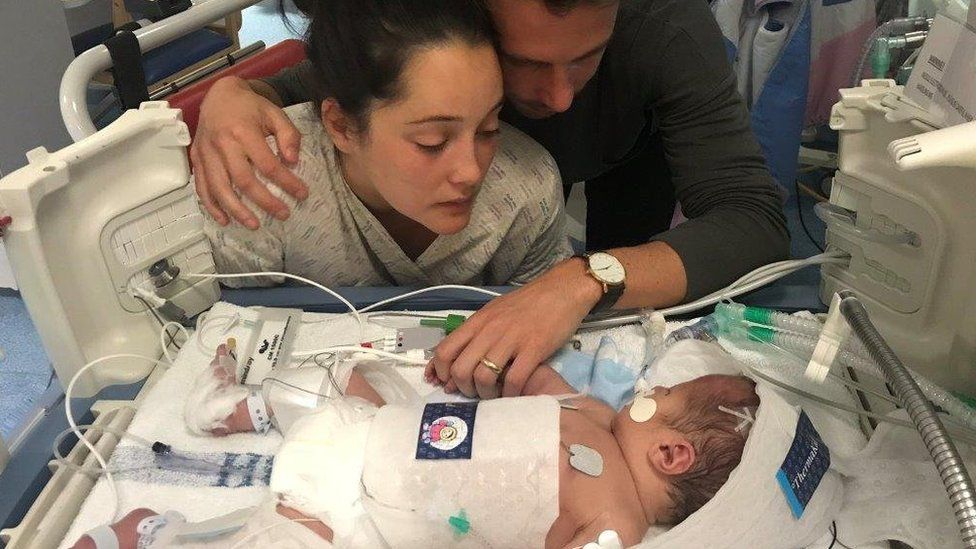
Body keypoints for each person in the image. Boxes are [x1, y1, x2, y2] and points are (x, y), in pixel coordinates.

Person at [190, 0, 789, 397]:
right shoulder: (427, 43)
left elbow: (752, 219)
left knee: (611, 316)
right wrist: (235, 91)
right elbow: (352, 79)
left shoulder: (665, 35)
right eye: (525, 62)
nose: (559, 98)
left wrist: (581, 280)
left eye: (586, 59)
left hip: (626, 164)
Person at [71, 344, 760, 548]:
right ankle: (233, 405)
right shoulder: (601, 414)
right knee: (355, 384)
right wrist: (488, 362)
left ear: (672, 453)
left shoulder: (616, 525)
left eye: (662, 395)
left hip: (369, 510)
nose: (649, 385)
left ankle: (156, 533)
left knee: (292, 538)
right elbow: (537, 377)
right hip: (386, 434)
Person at [203, 0, 571, 289]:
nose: (471, 171)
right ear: (342, 126)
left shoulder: (526, 193)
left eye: (489, 128)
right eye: (432, 142)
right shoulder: (260, 187)